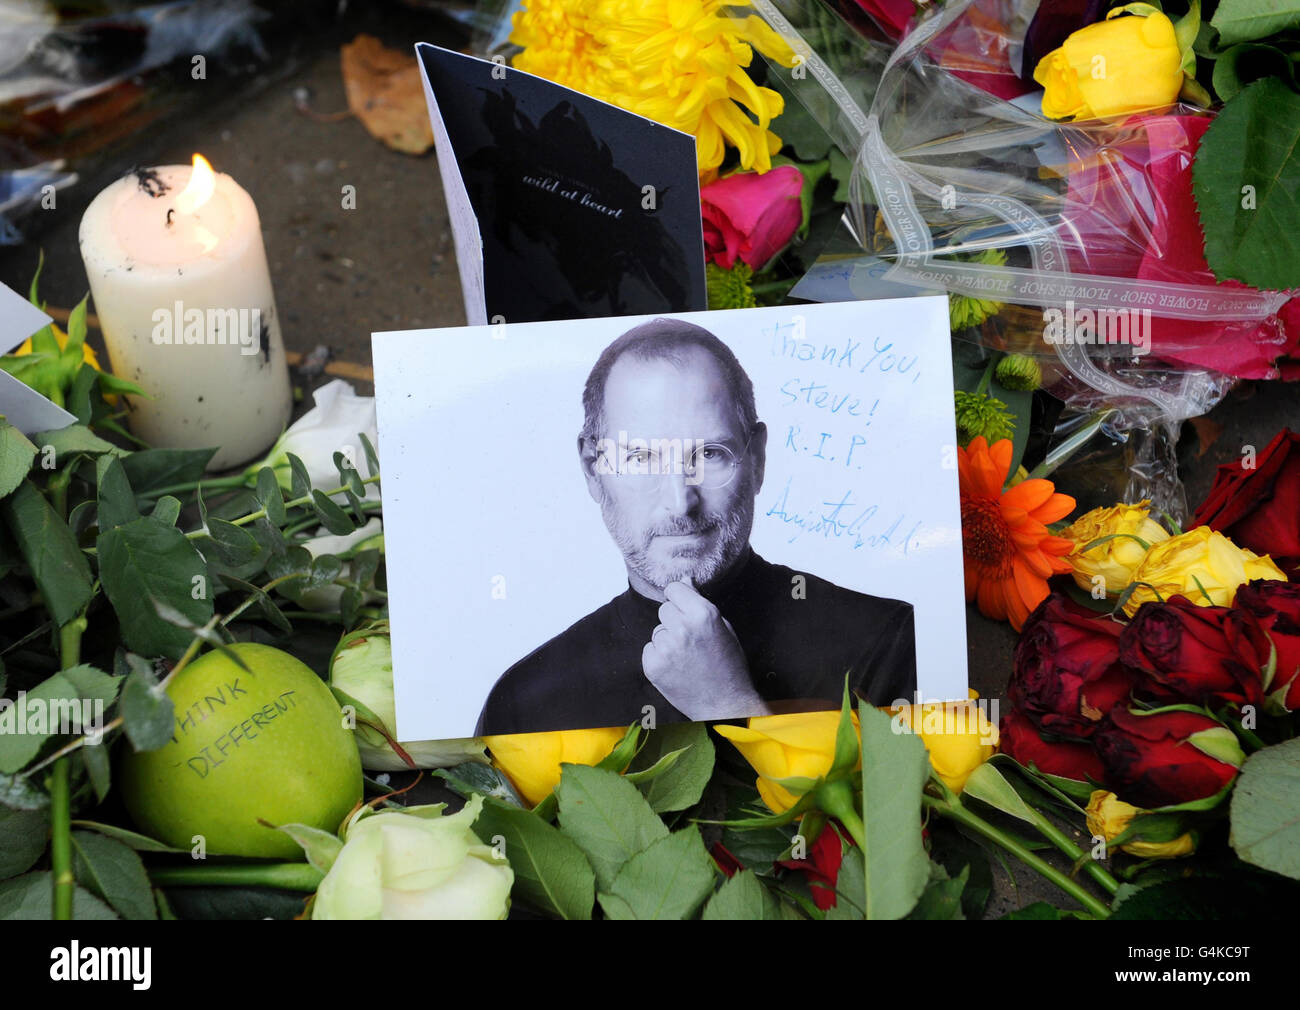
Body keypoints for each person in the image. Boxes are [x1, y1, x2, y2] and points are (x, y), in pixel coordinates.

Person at [476, 318, 916, 735]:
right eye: (640, 458)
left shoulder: (888, 641)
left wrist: (726, 704)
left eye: (708, 454)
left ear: (757, 460)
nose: (680, 503)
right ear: (593, 470)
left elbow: (896, 816)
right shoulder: (522, 703)